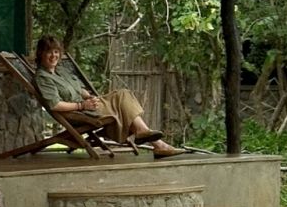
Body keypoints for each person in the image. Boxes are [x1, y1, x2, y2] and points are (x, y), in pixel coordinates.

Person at [33, 35, 185, 159]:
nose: (54, 56)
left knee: (123, 95)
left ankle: (152, 140)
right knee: (122, 100)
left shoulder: (62, 71)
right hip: (77, 113)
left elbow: (80, 90)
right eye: (49, 52)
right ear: (41, 54)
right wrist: (82, 106)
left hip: (87, 105)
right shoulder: (43, 77)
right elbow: (55, 105)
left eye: (56, 52)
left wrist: (90, 98)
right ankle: (156, 143)